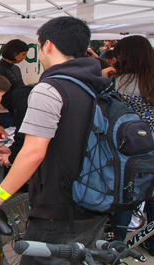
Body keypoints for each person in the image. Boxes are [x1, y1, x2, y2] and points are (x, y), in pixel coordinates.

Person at [0, 16, 112, 265]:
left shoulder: (50, 88)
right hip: (96, 197)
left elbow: (33, 152)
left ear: (48, 46)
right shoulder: (98, 83)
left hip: (58, 206)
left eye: (39, 46)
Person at [102, 35, 154, 253]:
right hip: (152, 147)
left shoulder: (117, 83)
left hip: (125, 149)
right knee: (151, 196)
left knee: (125, 194)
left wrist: (103, 74)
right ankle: (151, 243)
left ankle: (116, 245)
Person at [0, 74, 32, 167]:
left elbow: (24, 130)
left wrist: (12, 157)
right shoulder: (18, 94)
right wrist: (11, 149)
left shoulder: (19, 97)